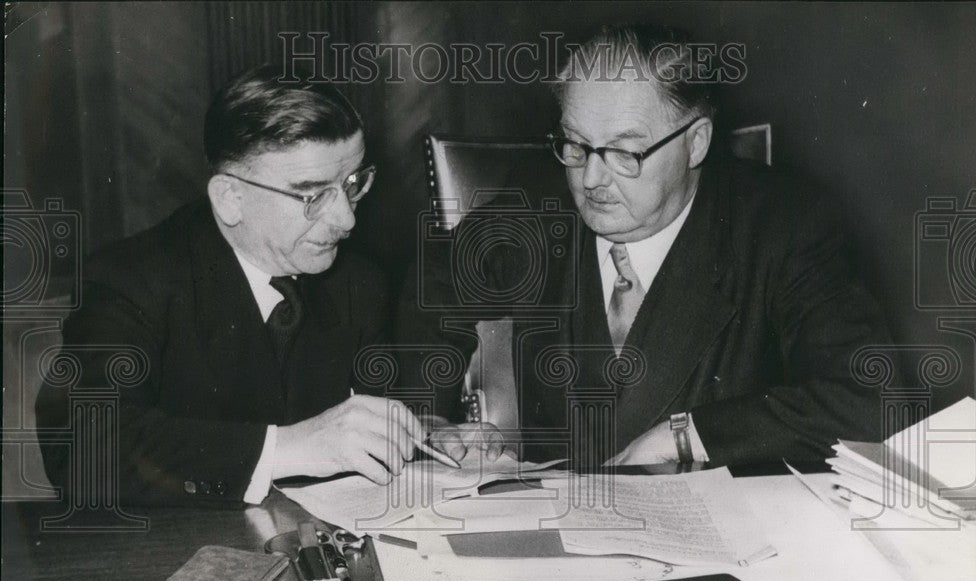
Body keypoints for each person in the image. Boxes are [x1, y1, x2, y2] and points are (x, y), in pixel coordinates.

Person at [401, 24, 893, 467]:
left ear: (696, 142)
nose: (591, 179)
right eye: (575, 144)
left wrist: (689, 436)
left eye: (624, 152)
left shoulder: (785, 225)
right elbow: (435, 284)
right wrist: (426, 423)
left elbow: (871, 400)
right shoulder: (539, 204)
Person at [36, 64, 426, 507]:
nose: (347, 219)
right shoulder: (130, 280)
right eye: (313, 194)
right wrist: (288, 448)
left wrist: (427, 437)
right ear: (230, 199)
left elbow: (368, 427)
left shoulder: (359, 282)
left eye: (353, 183)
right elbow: (82, 450)